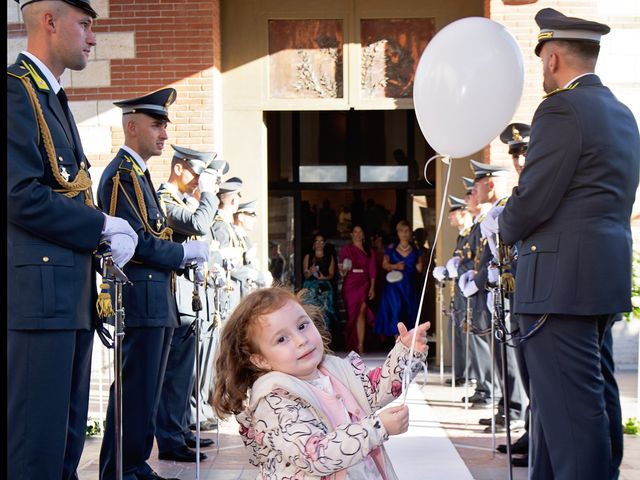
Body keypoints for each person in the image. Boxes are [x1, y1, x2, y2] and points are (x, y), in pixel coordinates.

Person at [489, 8, 639, 479]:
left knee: (570, 415)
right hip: (596, 279)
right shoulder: (621, 112)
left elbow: (534, 199)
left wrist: (501, 223)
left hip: (556, 284)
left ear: (552, 58)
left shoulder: (560, 108)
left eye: (540, 63)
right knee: (581, 402)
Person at [7, 1, 139, 479]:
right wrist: (100, 225)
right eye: (84, 24)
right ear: (49, 21)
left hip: (67, 299)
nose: (92, 38)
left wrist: (100, 233)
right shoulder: (15, 92)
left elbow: (67, 190)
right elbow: (18, 194)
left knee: (64, 446)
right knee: (33, 450)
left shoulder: (50, 97)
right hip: (38, 303)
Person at [97, 88, 209, 480]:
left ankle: (134, 464)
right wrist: (181, 255)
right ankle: (121, 470)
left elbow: (153, 234)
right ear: (131, 127)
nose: (164, 133)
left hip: (154, 297)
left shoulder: (138, 176)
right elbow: (136, 241)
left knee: (147, 392)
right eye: (156, 124)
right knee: (134, 391)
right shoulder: (120, 177)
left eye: (164, 125)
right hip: (139, 297)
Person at [211, 287, 431, 479]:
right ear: (260, 360)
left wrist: (406, 352)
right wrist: (377, 428)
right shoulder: (274, 401)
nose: (301, 340)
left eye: (302, 325)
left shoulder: (334, 371)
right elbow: (314, 455)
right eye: (281, 339)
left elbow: (375, 390)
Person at [154, 145, 227, 462]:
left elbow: (209, 234)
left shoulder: (187, 202)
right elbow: (198, 225)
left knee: (184, 373)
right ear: (180, 168)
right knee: (173, 374)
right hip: (176, 295)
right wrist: (208, 196)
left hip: (191, 298)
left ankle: (180, 429)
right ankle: (170, 438)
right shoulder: (164, 200)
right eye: (197, 174)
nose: (200, 181)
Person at [432, 195, 473, 386]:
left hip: (469, 294)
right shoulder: (462, 236)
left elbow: (474, 264)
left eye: (453, 213)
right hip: (458, 294)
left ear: (463, 214)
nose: (449, 218)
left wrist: (452, 271)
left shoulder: (472, 233)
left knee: (467, 337)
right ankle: (460, 373)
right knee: (454, 334)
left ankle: (471, 375)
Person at [375, 220, 425, 338]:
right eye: (401, 231)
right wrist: (395, 266)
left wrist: (421, 259)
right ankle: (397, 341)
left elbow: (419, 268)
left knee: (409, 311)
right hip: (394, 285)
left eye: (407, 231)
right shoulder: (391, 248)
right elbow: (384, 265)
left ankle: (408, 342)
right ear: (398, 233)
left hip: (409, 285)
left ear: (410, 232)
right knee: (396, 309)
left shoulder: (415, 248)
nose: (404, 234)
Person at [338, 224, 377, 353]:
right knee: (352, 316)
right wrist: (343, 270)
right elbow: (342, 270)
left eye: (360, 231)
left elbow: (372, 271)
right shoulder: (346, 249)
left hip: (364, 284)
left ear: (363, 234)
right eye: (355, 231)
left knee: (361, 311)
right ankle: (350, 340)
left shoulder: (369, 251)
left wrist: (372, 287)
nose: (358, 234)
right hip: (350, 284)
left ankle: (360, 345)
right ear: (352, 234)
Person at [303, 232, 337, 328]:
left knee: (325, 314)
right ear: (314, 243)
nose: (319, 244)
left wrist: (323, 278)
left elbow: (331, 274)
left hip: (325, 289)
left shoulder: (329, 256)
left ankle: (324, 335)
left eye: (321, 241)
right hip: (310, 288)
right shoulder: (308, 256)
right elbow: (305, 275)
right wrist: (310, 271)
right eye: (317, 241)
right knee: (312, 313)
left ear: (324, 243)